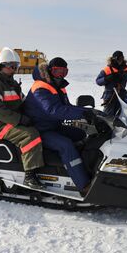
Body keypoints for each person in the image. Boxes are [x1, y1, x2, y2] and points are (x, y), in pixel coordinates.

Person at [23, 57, 95, 195]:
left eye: (64, 72)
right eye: (57, 71)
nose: (61, 75)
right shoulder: (40, 87)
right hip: (40, 129)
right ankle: (83, 185)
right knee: (66, 145)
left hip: (53, 126)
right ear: (50, 70)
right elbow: (54, 110)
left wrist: (89, 112)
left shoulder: (59, 86)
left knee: (81, 133)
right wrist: (84, 113)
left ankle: (82, 165)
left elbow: (67, 107)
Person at [0, 47, 45, 189]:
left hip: (11, 120)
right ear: (0, 65)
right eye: (11, 66)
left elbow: (24, 102)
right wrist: (20, 119)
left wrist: (40, 112)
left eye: (16, 66)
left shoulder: (12, 83)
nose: (14, 69)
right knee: (30, 135)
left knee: (41, 127)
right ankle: (29, 175)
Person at [96, 50, 127, 117]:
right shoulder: (107, 69)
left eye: (122, 58)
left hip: (121, 95)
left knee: (119, 116)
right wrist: (107, 78)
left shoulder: (126, 68)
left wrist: (124, 75)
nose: (120, 60)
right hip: (109, 96)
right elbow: (98, 81)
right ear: (114, 58)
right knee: (107, 116)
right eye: (119, 58)